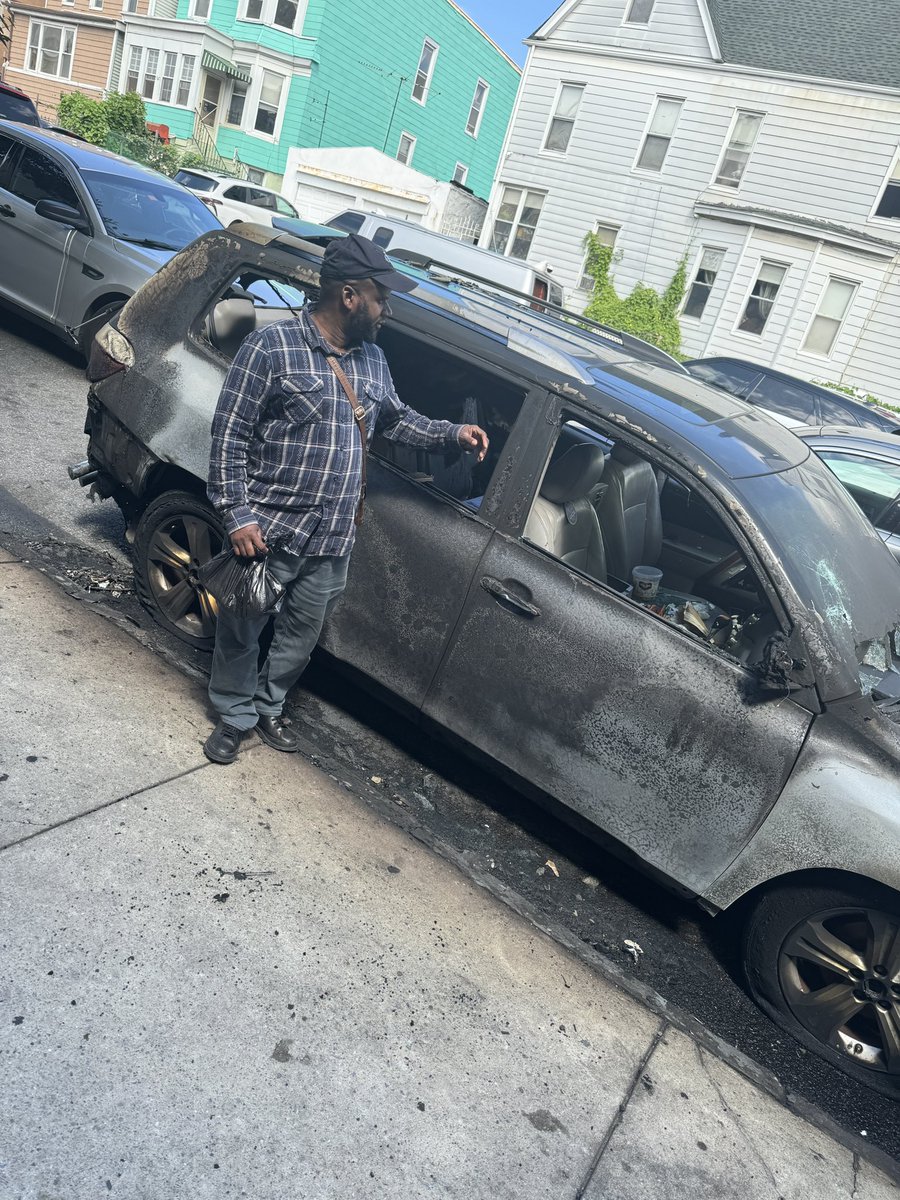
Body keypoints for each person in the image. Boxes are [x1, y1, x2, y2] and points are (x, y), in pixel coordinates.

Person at [203, 233, 489, 764]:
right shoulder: (271, 348)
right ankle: (234, 714)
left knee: (301, 634)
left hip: (334, 537)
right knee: (242, 627)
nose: (387, 311)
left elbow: (397, 420)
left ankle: (269, 706)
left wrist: (453, 433)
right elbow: (229, 434)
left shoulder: (374, 360)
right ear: (351, 296)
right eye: (382, 298)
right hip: (269, 530)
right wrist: (237, 514)